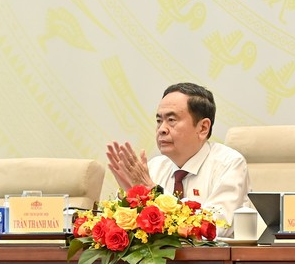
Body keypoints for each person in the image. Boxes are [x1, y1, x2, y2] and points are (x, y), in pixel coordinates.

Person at [106, 83, 251, 237]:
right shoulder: (155, 168)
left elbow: (214, 229)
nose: (162, 129)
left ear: (203, 128)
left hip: (217, 260)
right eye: (159, 121)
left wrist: (152, 191)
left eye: (171, 120)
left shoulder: (229, 164)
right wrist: (128, 199)